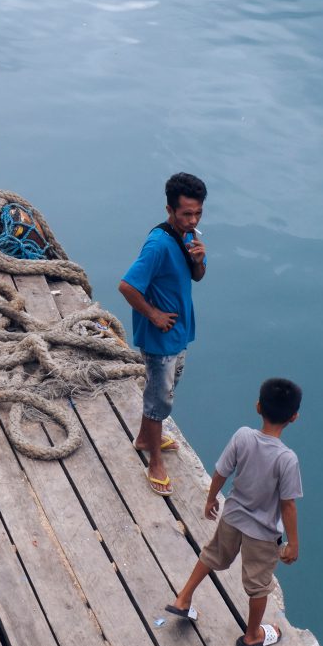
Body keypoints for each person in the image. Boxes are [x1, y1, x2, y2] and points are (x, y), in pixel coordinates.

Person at [166, 377, 303, 646]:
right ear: (294, 417)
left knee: (212, 555)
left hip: (232, 516)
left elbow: (222, 471)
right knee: (258, 585)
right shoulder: (287, 459)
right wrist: (294, 543)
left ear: (257, 407)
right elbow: (288, 505)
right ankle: (253, 635)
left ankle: (183, 598)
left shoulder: (242, 436)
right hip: (263, 534)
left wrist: (211, 499)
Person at [119, 172, 207, 496]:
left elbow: (196, 276)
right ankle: (155, 461)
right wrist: (154, 315)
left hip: (179, 334)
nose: (193, 219)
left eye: (197, 213)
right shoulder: (158, 244)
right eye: (186, 214)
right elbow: (127, 286)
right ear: (169, 210)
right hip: (161, 340)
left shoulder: (190, 237)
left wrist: (198, 262)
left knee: (163, 391)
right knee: (160, 400)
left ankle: (145, 437)